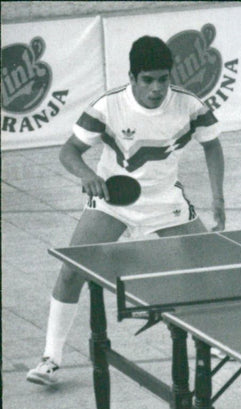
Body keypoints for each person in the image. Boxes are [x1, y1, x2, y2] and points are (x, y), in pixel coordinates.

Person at [27, 35, 225, 386]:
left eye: (163, 79)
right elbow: (69, 151)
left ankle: (222, 341)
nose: (156, 88)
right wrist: (87, 175)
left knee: (209, 264)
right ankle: (50, 358)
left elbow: (212, 146)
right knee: (73, 271)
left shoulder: (190, 106)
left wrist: (218, 199)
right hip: (113, 201)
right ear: (132, 77)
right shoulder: (107, 107)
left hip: (165, 201)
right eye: (148, 80)